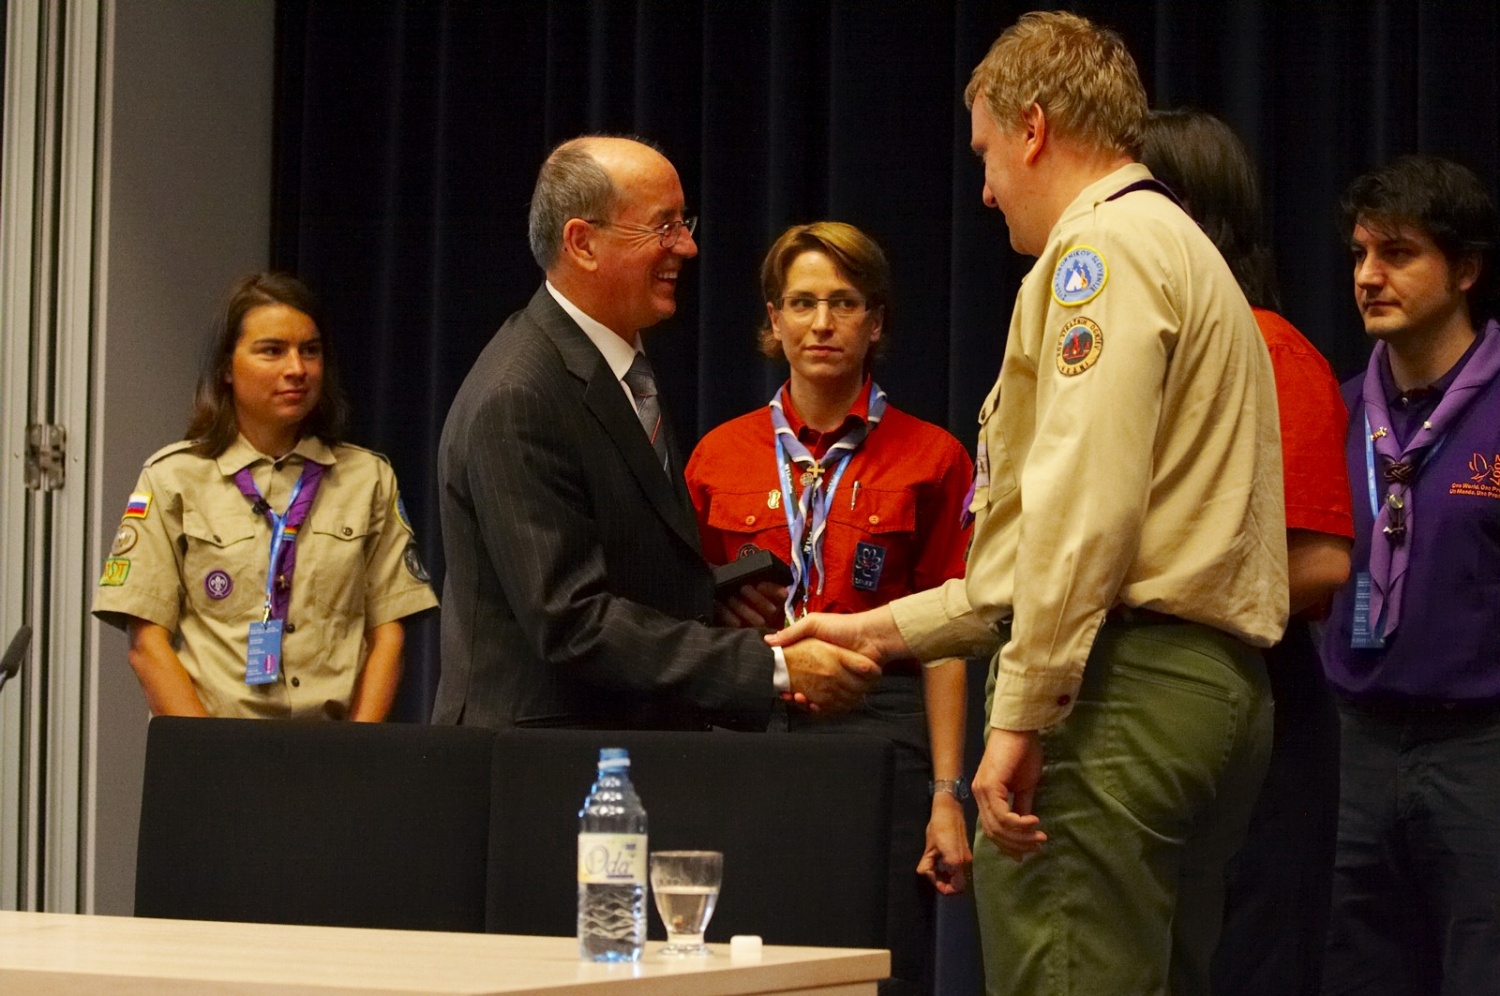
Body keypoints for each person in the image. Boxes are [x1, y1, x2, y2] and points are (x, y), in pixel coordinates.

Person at [770, 12, 1288, 995]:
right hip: (1203, 692)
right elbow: (1027, 563)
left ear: (1034, 128)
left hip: (1113, 695)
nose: (985, 186)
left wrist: (1023, 714)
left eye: (987, 152)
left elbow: (1081, 513)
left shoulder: (1101, 255)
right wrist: (874, 631)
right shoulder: (1183, 249)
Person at [432, 136, 878, 731]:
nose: (687, 246)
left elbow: (618, 561)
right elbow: (570, 622)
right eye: (663, 227)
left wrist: (709, 597)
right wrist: (773, 668)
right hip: (537, 769)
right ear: (582, 243)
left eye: (683, 223)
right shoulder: (520, 394)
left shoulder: (618, 366)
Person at [685, 222, 974, 995]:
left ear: (875, 322)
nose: (822, 323)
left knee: (880, 961)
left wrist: (948, 797)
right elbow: (679, 618)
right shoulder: (717, 457)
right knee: (746, 961)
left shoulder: (934, 457)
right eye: (803, 303)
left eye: (843, 303)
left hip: (880, 727)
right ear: (772, 322)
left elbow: (950, 639)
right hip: (747, 720)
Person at [1140, 109, 1353, 996]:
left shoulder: (1269, 346)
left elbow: (1320, 565)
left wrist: (1149, 593)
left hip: (1255, 703)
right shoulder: (1148, 348)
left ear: (1181, 209)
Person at [92, 272, 438, 720]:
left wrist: (357, 754)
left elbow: (388, 634)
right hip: (219, 750)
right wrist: (210, 754)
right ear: (226, 368)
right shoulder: (174, 478)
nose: (297, 369)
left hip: (333, 751)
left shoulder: (367, 478)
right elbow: (145, 642)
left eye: (310, 351)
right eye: (272, 351)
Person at [1321, 155, 1500, 996]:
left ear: (1464, 269)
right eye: (1359, 254)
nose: (1368, 276)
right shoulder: (1339, 407)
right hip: (1355, 744)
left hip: (1481, 748)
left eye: (1396, 254)